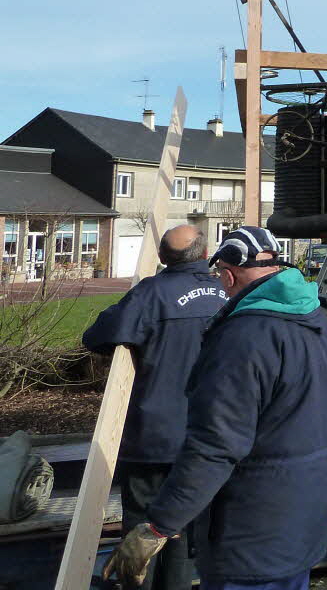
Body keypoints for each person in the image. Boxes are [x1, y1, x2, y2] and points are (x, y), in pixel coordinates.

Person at [103, 227, 327, 590]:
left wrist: (158, 527)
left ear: (229, 276)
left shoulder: (243, 338)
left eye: (222, 278)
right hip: (306, 520)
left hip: (252, 533)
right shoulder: (318, 322)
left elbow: (215, 447)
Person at [83, 224, 226, 590]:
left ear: (162, 257)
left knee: (141, 536)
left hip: (154, 436)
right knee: (183, 527)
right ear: (206, 254)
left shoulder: (151, 295)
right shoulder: (229, 293)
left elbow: (98, 336)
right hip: (209, 436)